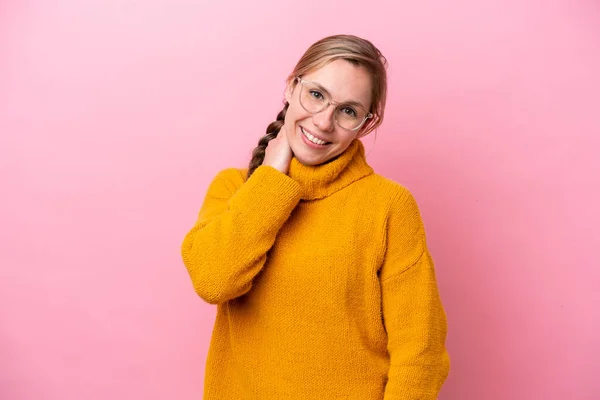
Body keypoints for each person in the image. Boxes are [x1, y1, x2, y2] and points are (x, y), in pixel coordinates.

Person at [181, 34, 450, 399]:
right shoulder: (234, 188)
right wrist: (272, 182)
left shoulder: (388, 206)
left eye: (348, 111)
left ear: (366, 124)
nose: (324, 122)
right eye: (317, 94)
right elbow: (214, 279)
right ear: (292, 87)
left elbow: (421, 351)